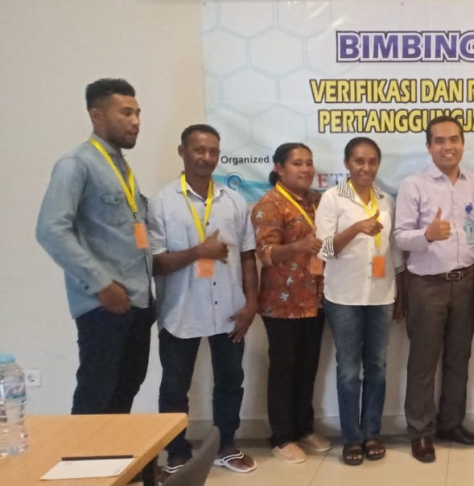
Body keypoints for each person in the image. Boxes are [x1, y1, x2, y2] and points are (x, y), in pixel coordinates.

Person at [36, 78, 154, 415]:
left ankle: (117, 453)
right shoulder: (76, 164)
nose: (136, 121)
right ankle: (84, 453)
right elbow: (50, 230)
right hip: (104, 305)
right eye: (126, 113)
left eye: (138, 113)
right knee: (96, 395)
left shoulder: (119, 165)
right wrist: (102, 284)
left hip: (137, 301)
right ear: (96, 115)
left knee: (125, 390)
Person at [148, 124, 258, 476]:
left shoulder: (234, 201)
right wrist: (199, 252)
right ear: (182, 152)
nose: (206, 157)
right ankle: (176, 453)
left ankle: (226, 445)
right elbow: (155, 263)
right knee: (174, 387)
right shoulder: (162, 202)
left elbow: (247, 255)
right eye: (199, 150)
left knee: (230, 380)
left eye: (213, 151)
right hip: (180, 311)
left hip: (229, 309)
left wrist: (251, 303)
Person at [394, 116, 474, 463]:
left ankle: (451, 424)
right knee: (423, 360)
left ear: (463, 143)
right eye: (440, 141)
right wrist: (427, 235)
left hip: (467, 282)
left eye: (454, 139)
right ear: (429, 146)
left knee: (459, 358)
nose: (448, 146)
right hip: (426, 285)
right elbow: (400, 237)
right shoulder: (413, 185)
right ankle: (420, 431)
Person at [315, 137, 405, 466]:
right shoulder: (332, 198)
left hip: (381, 295)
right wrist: (355, 228)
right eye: (359, 161)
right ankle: (351, 438)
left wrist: (400, 291)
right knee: (349, 371)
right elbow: (323, 249)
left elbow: (394, 251)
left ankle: (371, 433)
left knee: (377, 368)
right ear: (347, 163)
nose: (366, 167)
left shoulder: (386, 200)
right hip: (344, 297)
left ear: (378, 164)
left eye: (372, 161)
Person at [251, 143, 330, 463]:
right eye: (297, 163)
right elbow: (266, 254)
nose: (305, 169)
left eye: (309, 163)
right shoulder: (269, 204)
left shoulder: (317, 201)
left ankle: (303, 428)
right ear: (279, 168)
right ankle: (281, 437)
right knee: (284, 369)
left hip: (314, 298)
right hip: (282, 302)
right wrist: (297, 245)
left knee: (307, 367)